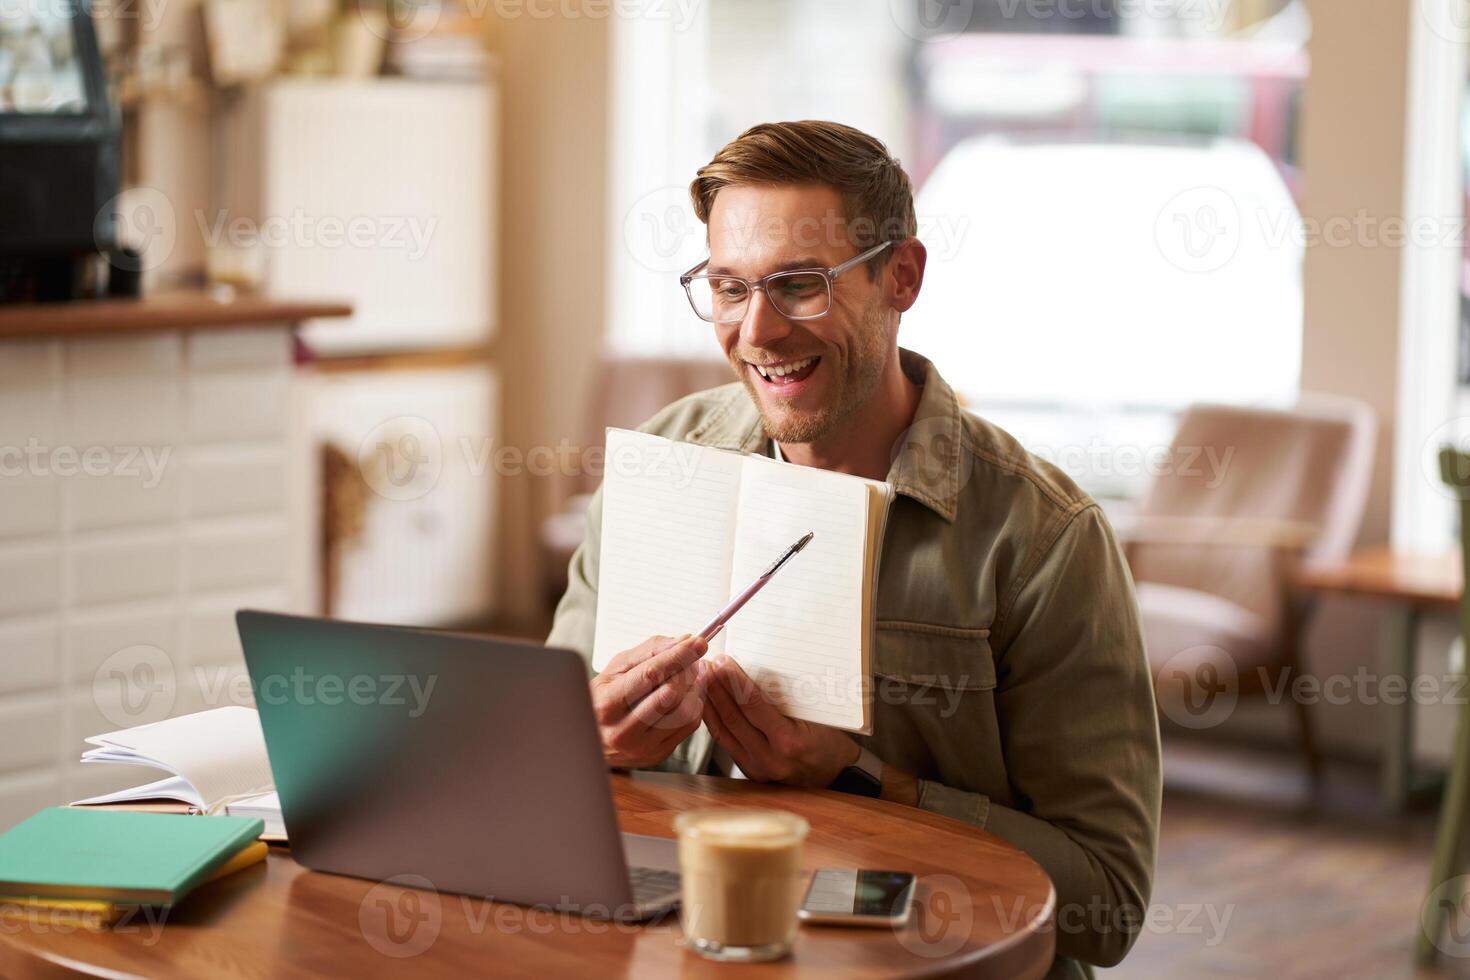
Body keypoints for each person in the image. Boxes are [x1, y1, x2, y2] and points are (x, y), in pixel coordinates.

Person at [548, 120, 1160, 977]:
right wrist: (597, 738)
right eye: (729, 287)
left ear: (901, 277)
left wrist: (865, 779)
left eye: (799, 286)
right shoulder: (665, 463)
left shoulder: (1046, 538)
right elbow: (546, 767)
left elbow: (1108, 905)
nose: (757, 330)